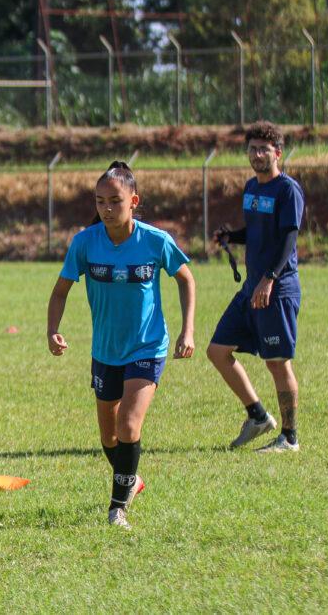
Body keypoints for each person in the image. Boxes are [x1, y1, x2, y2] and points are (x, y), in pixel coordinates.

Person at [47, 162, 196, 529]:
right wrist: (53, 329)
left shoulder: (155, 241)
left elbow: (186, 279)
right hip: (105, 351)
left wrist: (187, 331)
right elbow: (61, 290)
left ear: (134, 200)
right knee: (108, 435)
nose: (107, 209)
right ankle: (132, 479)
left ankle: (117, 509)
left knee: (129, 425)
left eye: (115, 201)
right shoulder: (85, 242)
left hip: (147, 346)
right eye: (100, 202)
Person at [207, 121, 305, 452]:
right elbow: (257, 233)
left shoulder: (287, 190)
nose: (257, 154)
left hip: (275, 290)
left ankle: (289, 438)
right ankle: (258, 415)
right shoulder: (252, 187)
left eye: (264, 149)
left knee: (277, 363)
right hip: (251, 289)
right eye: (252, 148)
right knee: (217, 350)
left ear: (278, 153)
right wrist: (231, 236)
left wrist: (269, 279)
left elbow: (288, 240)